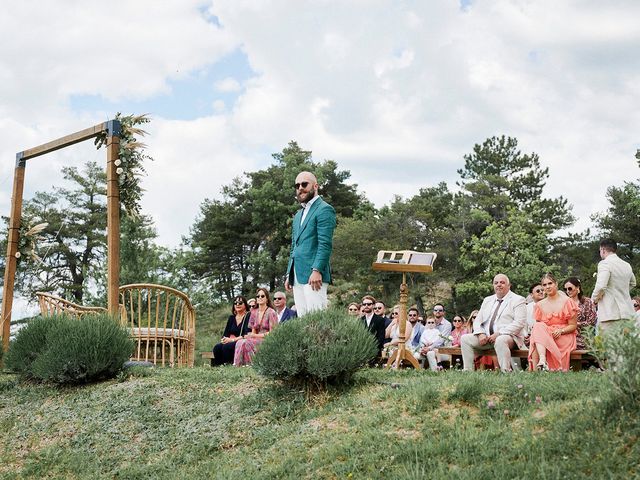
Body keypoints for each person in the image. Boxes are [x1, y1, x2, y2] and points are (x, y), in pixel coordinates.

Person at [285, 171, 337, 316]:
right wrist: (289, 273)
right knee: (303, 320)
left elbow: (325, 244)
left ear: (315, 186)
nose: (300, 188)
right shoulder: (298, 216)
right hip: (297, 274)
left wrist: (317, 270)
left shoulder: (324, 209)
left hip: (314, 275)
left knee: (316, 319)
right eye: (297, 185)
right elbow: (294, 246)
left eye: (304, 184)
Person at [460, 273, 527, 372]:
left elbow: (519, 323)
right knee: (465, 339)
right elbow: (478, 320)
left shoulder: (518, 300)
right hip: (487, 338)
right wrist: (480, 333)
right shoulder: (488, 300)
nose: (499, 285)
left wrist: (499, 333)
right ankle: (467, 371)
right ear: (493, 285)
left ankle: (505, 372)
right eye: (496, 283)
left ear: (509, 285)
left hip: (509, 337)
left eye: (502, 282)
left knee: (500, 340)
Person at [528, 273, 579, 371]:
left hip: (563, 335)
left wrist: (561, 331)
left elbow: (573, 326)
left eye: (550, 283)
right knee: (538, 327)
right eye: (544, 285)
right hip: (547, 335)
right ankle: (542, 360)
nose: (547, 287)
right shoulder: (539, 305)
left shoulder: (567, 301)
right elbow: (540, 329)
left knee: (537, 338)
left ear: (556, 284)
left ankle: (543, 366)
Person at [591, 239, 636, 333]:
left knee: (608, 346)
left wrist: (593, 300)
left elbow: (601, 286)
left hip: (610, 313)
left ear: (603, 250)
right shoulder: (626, 265)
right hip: (627, 313)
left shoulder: (604, 263)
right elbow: (633, 283)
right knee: (625, 346)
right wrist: (620, 291)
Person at [233, 288, 278, 366]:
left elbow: (273, 333)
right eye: (258, 296)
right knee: (240, 342)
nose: (260, 297)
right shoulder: (254, 312)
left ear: (267, 299)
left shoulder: (271, 312)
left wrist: (254, 336)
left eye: (262, 296)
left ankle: (251, 365)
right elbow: (253, 331)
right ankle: (238, 365)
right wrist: (252, 336)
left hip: (268, 340)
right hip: (256, 339)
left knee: (247, 342)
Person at [211, 296, 252, 366]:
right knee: (217, 347)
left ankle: (228, 365)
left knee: (227, 347)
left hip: (241, 341)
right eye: (235, 303)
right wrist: (224, 339)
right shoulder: (231, 318)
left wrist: (232, 340)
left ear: (245, 305)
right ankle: (217, 368)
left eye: (240, 303)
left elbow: (246, 334)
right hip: (230, 340)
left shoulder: (248, 316)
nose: (237, 304)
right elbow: (225, 334)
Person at [563, 277, 597, 349]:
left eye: (570, 288)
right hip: (567, 335)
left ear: (578, 287)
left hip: (584, 336)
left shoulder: (587, 302)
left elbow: (592, 321)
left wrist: (575, 325)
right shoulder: (564, 303)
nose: (567, 291)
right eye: (565, 289)